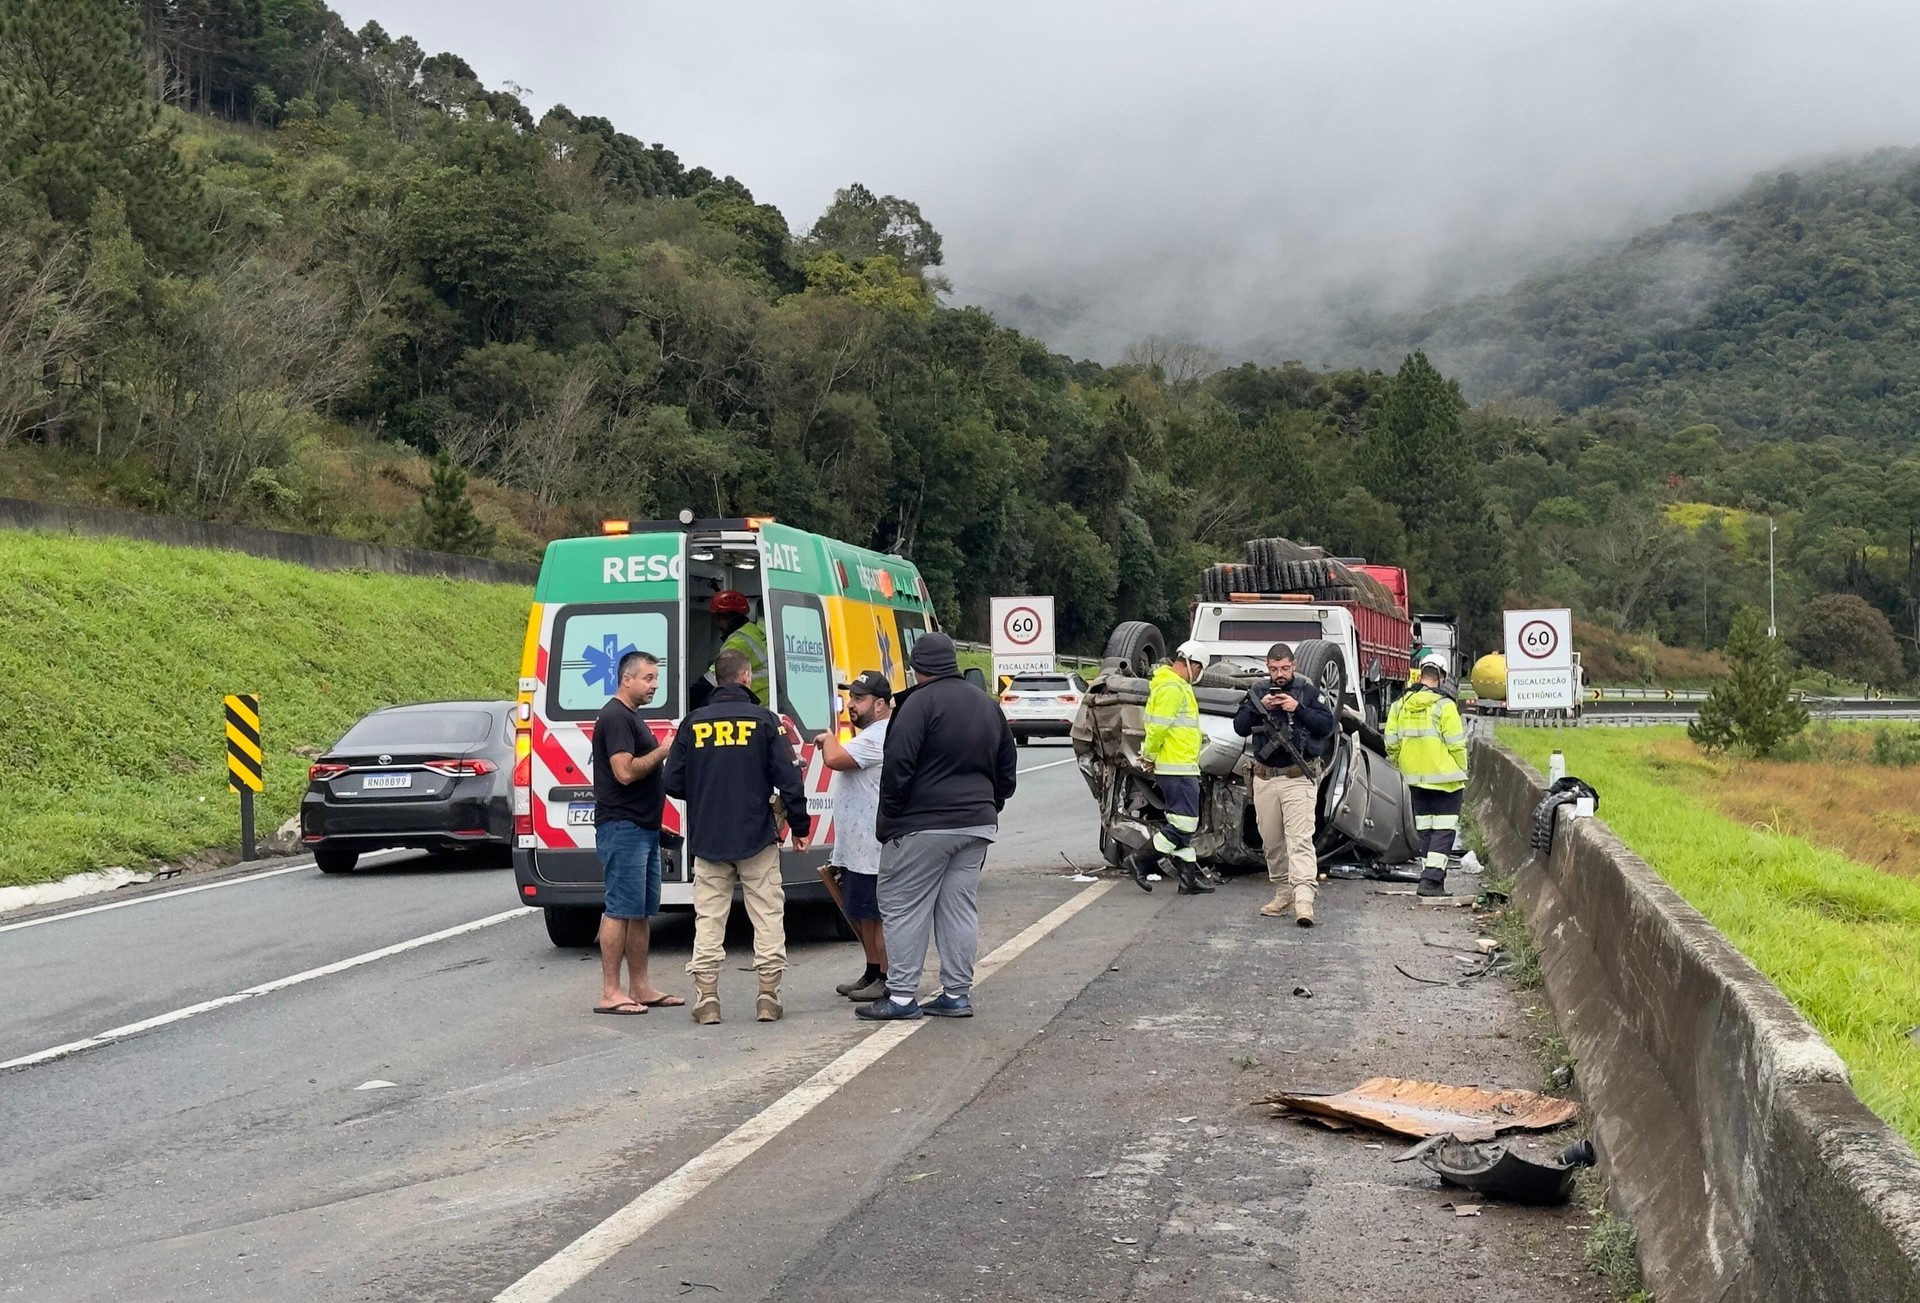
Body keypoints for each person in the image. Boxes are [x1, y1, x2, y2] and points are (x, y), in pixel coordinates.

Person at [856, 632, 1018, 1021]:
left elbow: (897, 768)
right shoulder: (987, 705)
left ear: (916, 668)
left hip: (921, 824)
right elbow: (1007, 771)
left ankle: (900, 998)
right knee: (958, 908)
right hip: (976, 824)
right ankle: (957, 994)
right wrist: (988, 805)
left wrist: (892, 818)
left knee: (902, 907)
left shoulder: (916, 705)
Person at [664, 648, 812, 1024]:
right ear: (746, 678)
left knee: (709, 918)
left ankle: (707, 1000)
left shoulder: (692, 723)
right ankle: (767, 997)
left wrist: (705, 795)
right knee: (766, 914)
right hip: (757, 836)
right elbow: (789, 780)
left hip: (709, 838)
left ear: (716, 678)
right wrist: (799, 827)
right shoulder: (764, 721)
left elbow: (672, 781)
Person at [589, 650, 681, 1013]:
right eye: (647, 678)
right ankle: (611, 992)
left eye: (656, 679)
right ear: (626, 679)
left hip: (642, 827)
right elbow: (624, 772)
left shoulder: (630, 717)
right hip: (622, 827)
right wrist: (662, 751)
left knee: (641, 911)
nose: (653, 685)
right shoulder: (615, 718)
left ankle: (639, 986)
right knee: (619, 910)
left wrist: (653, 819)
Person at [1232, 643, 1338, 925]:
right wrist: (1260, 708)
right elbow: (1239, 726)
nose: (1279, 674)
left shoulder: (1307, 692)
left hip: (1297, 778)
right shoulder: (1257, 692)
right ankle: (1283, 892)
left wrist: (1298, 708)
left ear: (1295, 666)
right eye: (1274, 669)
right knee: (1272, 842)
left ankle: (1304, 900)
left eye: (1285, 668)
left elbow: (1326, 725)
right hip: (1265, 778)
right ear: (1267, 667)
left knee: (1300, 840)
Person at [814, 671, 892, 1003]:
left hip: (872, 848)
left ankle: (887, 976)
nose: (851, 706)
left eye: (859, 700)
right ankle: (872, 971)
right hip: (859, 847)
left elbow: (835, 759)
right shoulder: (871, 733)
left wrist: (827, 738)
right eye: (851, 698)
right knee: (862, 911)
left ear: (880, 704)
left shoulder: (880, 735)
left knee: (877, 913)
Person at [1126, 640, 1215, 897]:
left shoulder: (1173, 685)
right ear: (1193, 665)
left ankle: (1188, 880)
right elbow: (1158, 728)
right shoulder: (1173, 687)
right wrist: (1149, 755)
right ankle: (1140, 860)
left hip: (1181, 764)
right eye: (1200, 670)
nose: (1199, 676)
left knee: (1183, 823)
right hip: (1175, 766)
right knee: (1185, 824)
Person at [1385, 653, 1469, 898]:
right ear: (1441, 678)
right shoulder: (1445, 706)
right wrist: (1462, 770)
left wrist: (1403, 764)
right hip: (1446, 779)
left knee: (1425, 830)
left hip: (1414, 779)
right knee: (1443, 830)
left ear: (1421, 674)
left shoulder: (1400, 704)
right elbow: (1457, 744)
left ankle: (1429, 877)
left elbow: (1391, 743)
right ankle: (1431, 882)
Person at [707, 589, 769, 704]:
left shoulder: (737, 641)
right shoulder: (753, 630)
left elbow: (709, 681)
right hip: (764, 704)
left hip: (754, 707)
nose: (717, 624)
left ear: (729, 618)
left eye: (718, 619)